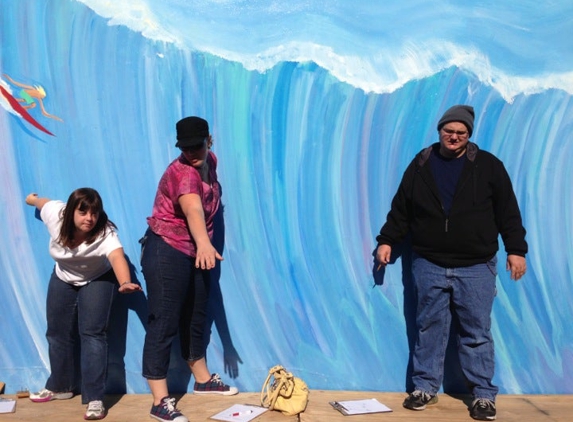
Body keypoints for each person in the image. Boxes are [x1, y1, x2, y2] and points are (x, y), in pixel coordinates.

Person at [375, 105, 527, 421]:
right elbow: (401, 208)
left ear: (468, 136)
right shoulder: (421, 164)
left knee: (476, 332)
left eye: (461, 133)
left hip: (476, 266)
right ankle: (424, 388)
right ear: (440, 130)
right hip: (428, 262)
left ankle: (483, 395)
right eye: (449, 131)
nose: (454, 137)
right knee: (428, 327)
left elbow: (508, 212)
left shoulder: (488, 166)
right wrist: (387, 240)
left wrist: (516, 250)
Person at [141, 116, 238, 422]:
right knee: (165, 319)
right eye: (185, 147)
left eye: (197, 145)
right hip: (166, 248)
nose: (192, 152)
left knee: (197, 312)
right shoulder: (183, 173)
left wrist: (202, 246)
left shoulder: (210, 160)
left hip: (194, 250)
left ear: (209, 140)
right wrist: (205, 243)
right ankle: (159, 401)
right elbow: (193, 208)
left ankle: (202, 379)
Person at [25, 188, 142, 420]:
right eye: (83, 211)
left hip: (98, 278)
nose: (89, 218)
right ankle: (61, 385)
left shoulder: (105, 233)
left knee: (92, 334)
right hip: (63, 277)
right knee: (57, 332)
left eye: (94, 213)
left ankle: (95, 398)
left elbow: (117, 256)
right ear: (71, 211)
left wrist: (125, 281)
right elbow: (44, 203)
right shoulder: (57, 216)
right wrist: (32, 199)